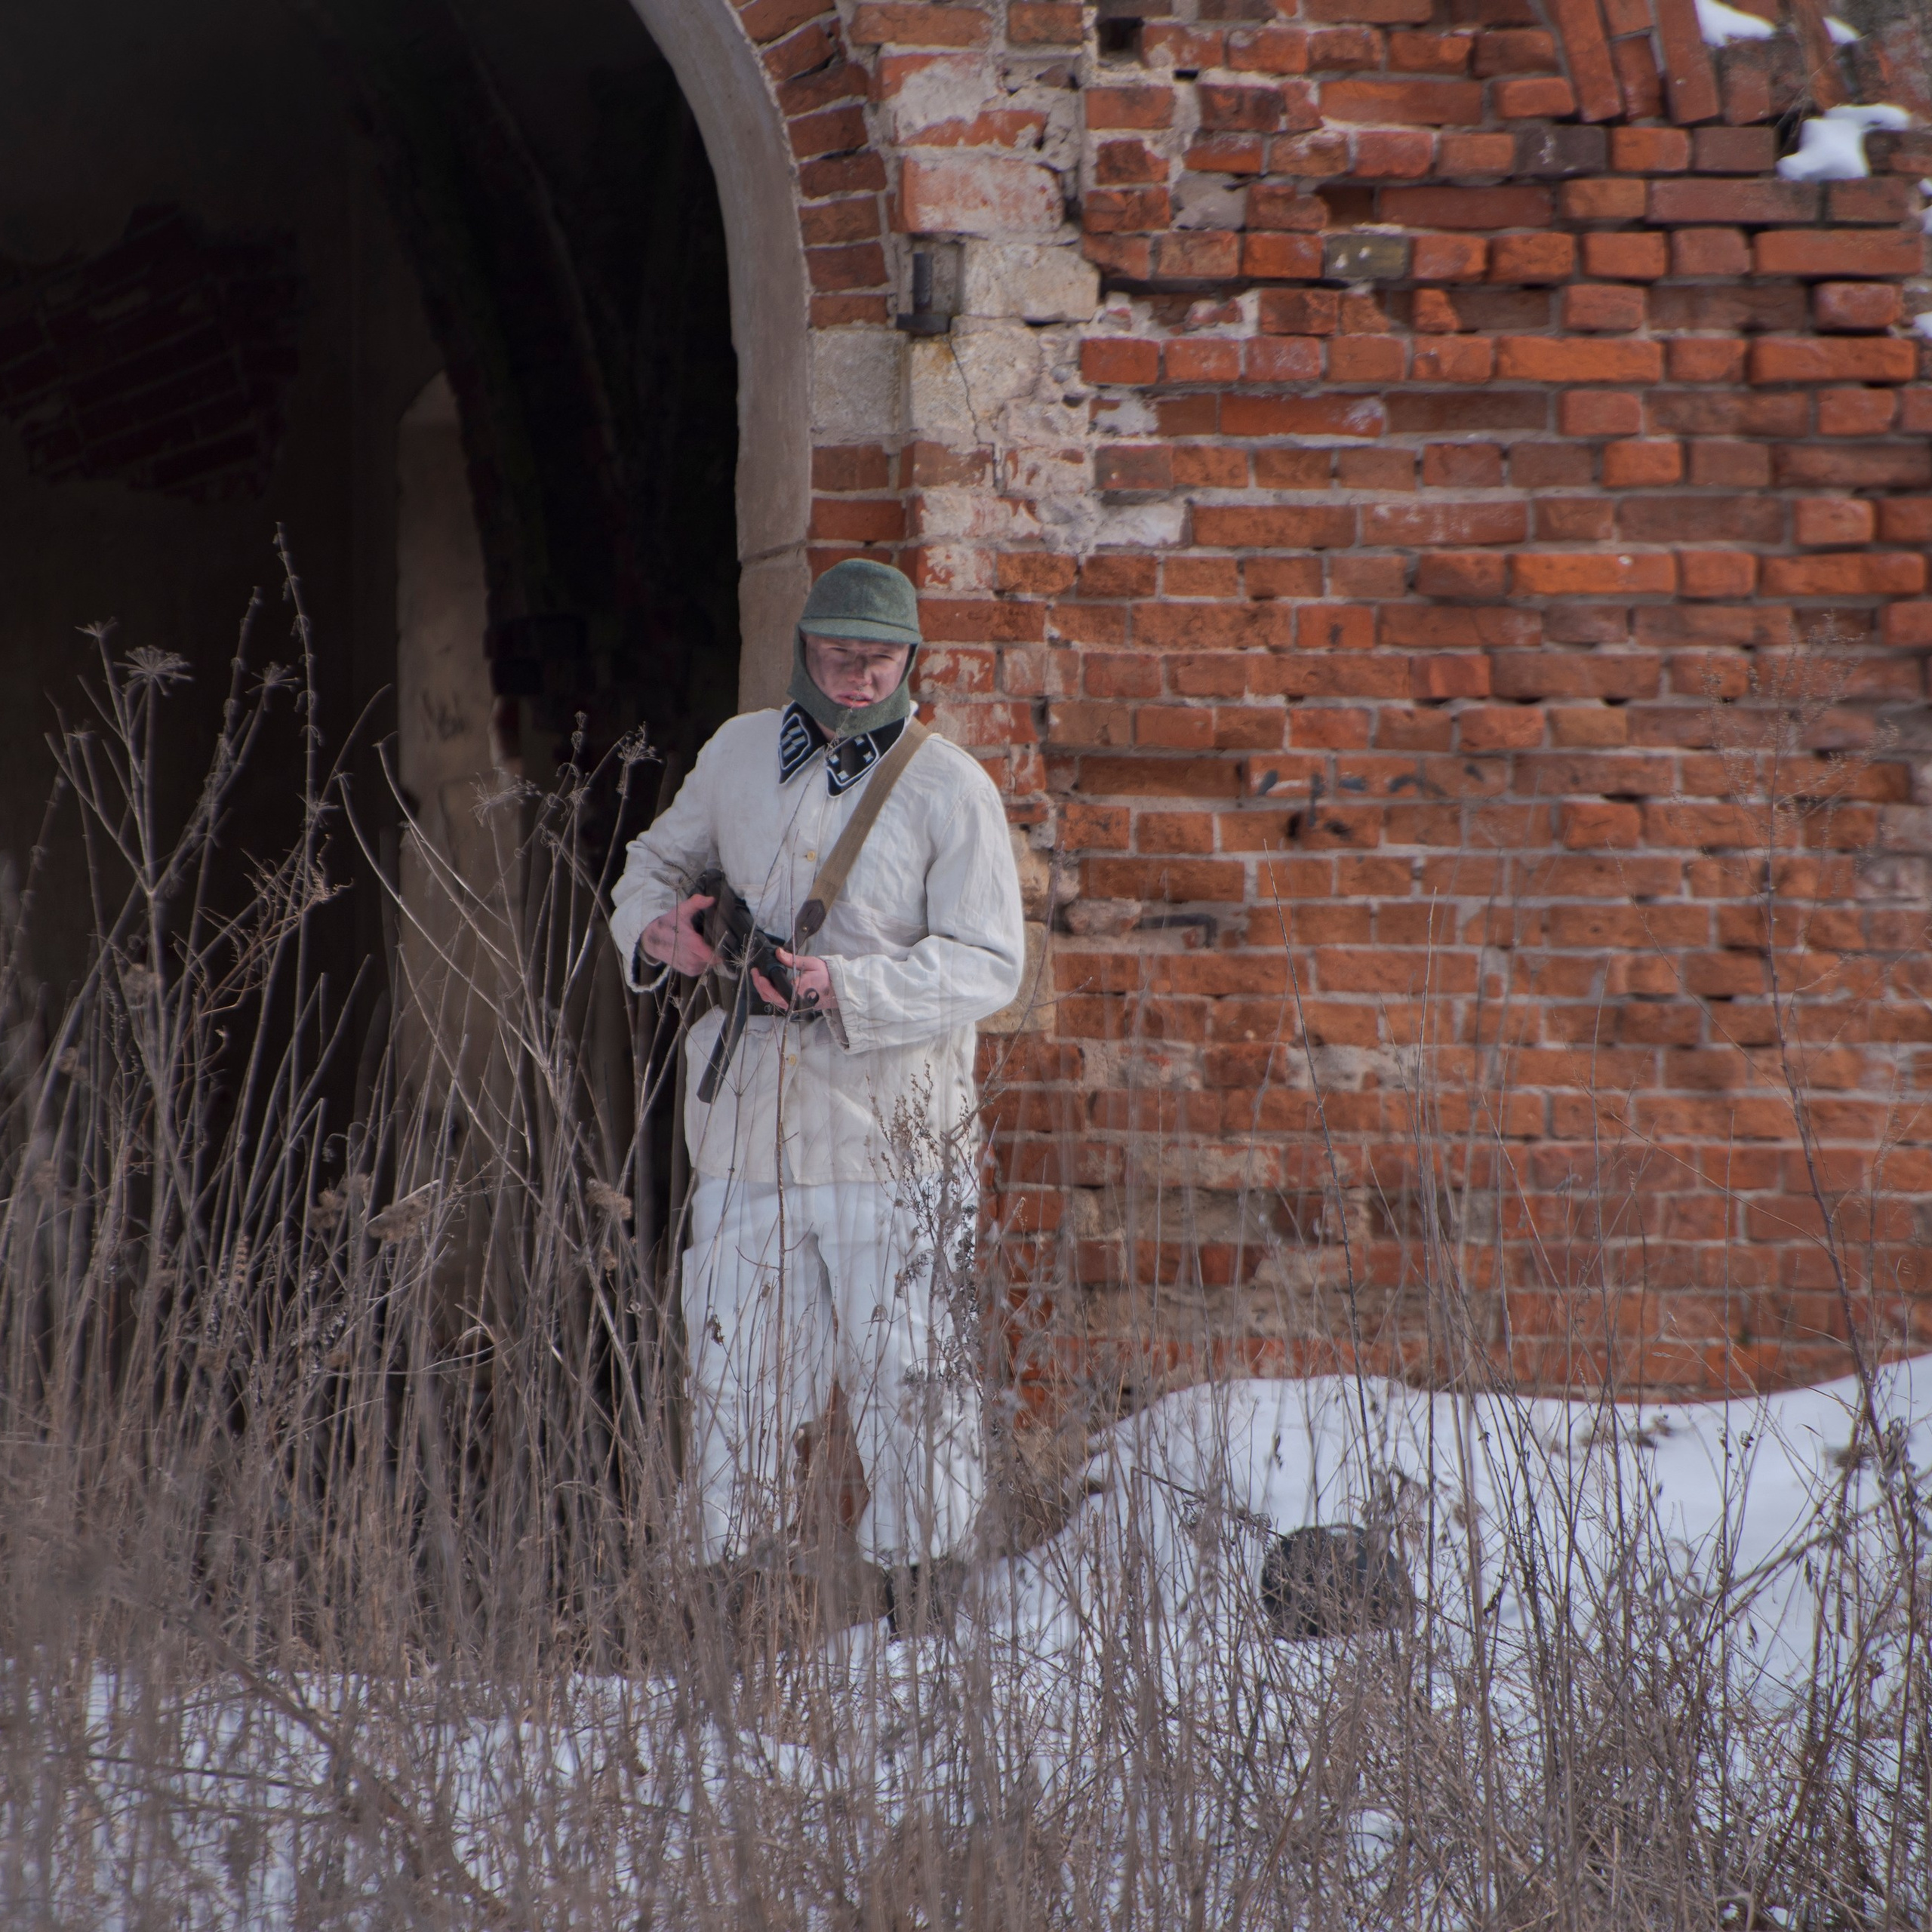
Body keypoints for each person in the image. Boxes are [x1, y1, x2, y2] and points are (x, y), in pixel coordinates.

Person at [609, 558, 1024, 1627]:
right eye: (838, 655)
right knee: (732, 1375)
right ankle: (721, 1621)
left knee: (913, 1386)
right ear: (806, 649)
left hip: (894, 1142)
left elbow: (989, 962)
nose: (855, 675)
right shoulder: (738, 753)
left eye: (878, 659)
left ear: (910, 662)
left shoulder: (951, 788)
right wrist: (665, 933)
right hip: (748, 1136)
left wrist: (843, 986)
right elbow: (652, 866)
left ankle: (924, 1620)